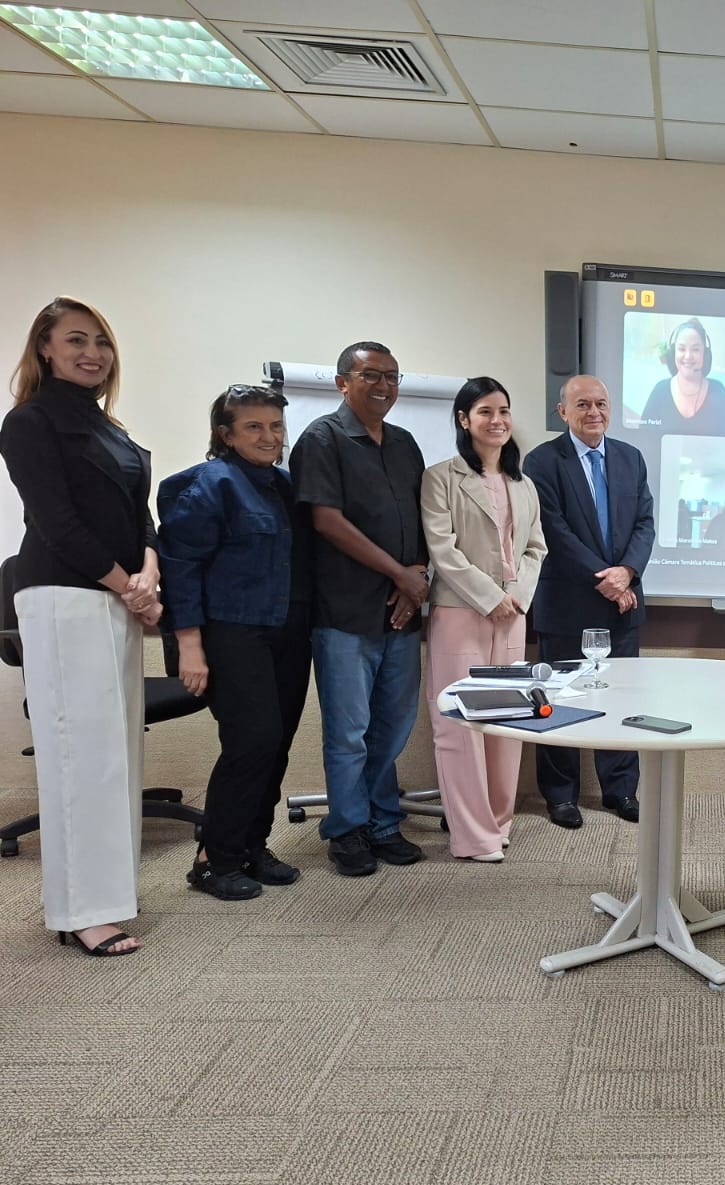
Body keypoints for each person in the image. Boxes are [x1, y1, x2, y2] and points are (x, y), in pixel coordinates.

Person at [0, 297, 161, 956]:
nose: (92, 352)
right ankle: (81, 912)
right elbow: (58, 522)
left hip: (116, 600)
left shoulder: (111, 430)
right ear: (45, 347)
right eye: (76, 340)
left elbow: (140, 516)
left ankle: (109, 892)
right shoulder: (29, 422)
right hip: (66, 599)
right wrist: (130, 585)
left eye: (101, 341)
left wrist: (149, 572)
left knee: (116, 756)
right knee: (80, 760)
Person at [157, 385, 312, 900]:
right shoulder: (211, 484)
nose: (269, 437)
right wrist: (190, 647)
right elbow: (180, 569)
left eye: (275, 426)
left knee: (277, 743)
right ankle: (213, 858)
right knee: (252, 741)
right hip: (232, 631)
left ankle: (252, 845)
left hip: (287, 631)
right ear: (225, 434)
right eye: (253, 427)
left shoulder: (284, 486)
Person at [289, 341, 429, 877]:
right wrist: (398, 575)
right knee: (349, 732)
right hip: (345, 612)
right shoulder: (321, 439)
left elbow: (419, 518)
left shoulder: (404, 444)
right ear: (342, 381)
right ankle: (348, 829)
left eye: (392, 377)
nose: (384, 386)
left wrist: (413, 578)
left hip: (401, 609)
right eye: (372, 375)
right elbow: (326, 522)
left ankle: (383, 822)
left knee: (393, 724)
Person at [421, 377, 547, 862]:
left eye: (504, 411)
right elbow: (442, 550)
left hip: (512, 616)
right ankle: (472, 836)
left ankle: (499, 823)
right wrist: (488, 595)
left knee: (506, 723)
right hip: (461, 613)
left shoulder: (524, 484)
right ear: (463, 420)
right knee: (459, 726)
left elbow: (537, 548)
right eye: (485, 412)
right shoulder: (441, 478)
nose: (497, 421)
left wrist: (514, 596)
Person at [524, 375, 655, 829]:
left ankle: (621, 790)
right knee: (559, 699)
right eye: (583, 404)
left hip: (621, 605)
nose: (594, 412)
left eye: (601, 403)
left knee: (621, 699)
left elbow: (644, 523)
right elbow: (553, 531)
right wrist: (605, 578)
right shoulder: (541, 462)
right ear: (563, 412)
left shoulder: (630, 458)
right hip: (566, 603)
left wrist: (628, 574)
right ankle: (561, 796)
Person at [638, 318, 725, 435]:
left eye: (695, 349)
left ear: (704, 355)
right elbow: (643, 437)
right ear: (673, 353)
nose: (688, 356)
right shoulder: (660, 390)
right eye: (681, 349)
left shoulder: (718, 391)